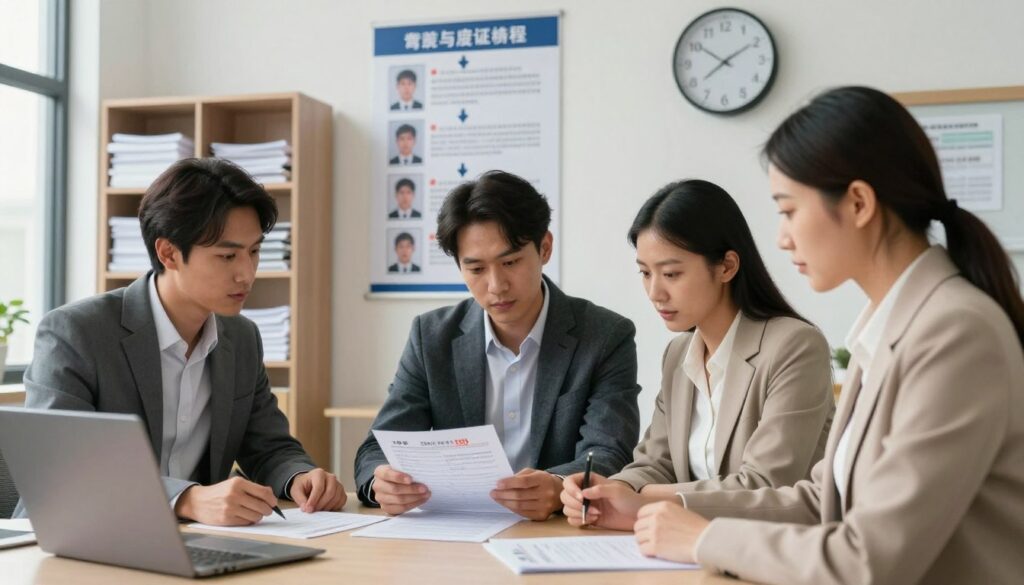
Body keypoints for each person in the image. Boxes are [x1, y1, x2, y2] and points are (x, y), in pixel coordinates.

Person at [622, 87, 1024, 584]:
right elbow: (821, 500)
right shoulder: (891, 328)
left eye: (789, 210)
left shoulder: (956, 333)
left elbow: (869, 560)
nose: (781, 237)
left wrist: (702, 539)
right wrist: (667, 507)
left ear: (858, 203)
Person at [21, 158, 346, 526]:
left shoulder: (241, 338)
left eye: (254, 252)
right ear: (168, 253)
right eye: (227, 256)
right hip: (73, 537)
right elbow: (63, 468)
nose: (247, 273)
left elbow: (268, 445)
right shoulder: (75, 332)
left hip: (189, 542)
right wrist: (185, 499)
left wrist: (299, 476)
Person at [355, 170, 641, 521]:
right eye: (475, 269)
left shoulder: (605, 335)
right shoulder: (431, 337)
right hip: (458, 535)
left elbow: (609, 452)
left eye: (510, 262)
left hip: (556, 533)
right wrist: (381, 482)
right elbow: (377, 447)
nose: (496, 286)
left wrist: (556, 485)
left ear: (545, 247)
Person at [560, 179, 834, 531]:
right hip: (687, 549)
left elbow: (766, 484)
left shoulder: (794, 346)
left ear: (726, 267)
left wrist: (647, 500)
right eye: (645, 273)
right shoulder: (678, 355)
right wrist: (609, 489)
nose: (655, 292)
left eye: (671, 273)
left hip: (774, 551)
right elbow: (654, 463)